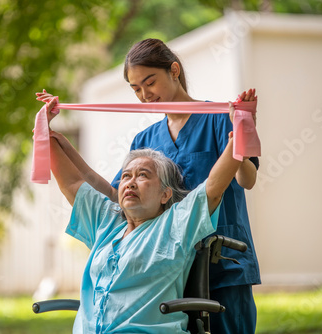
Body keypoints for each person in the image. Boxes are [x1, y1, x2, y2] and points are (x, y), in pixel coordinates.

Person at [37, 38, 260, 333]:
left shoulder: (220, 119)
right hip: (160, 267)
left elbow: (247, 179)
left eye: (149, 82)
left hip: (223, 265)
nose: (144, 94)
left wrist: (239, 135)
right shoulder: (144, 140)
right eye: (136, 89)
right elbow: (114, 196)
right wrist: (60, 145)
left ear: (174, 71)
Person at [48, 97, 243, 332]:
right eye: (126, 176)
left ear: (165, 194)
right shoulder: (106, 222)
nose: (130, 182)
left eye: (142, 175)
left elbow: (213, 189)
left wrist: (239, 134)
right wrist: (45, 135)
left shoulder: (175, 225)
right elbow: (73, 182)